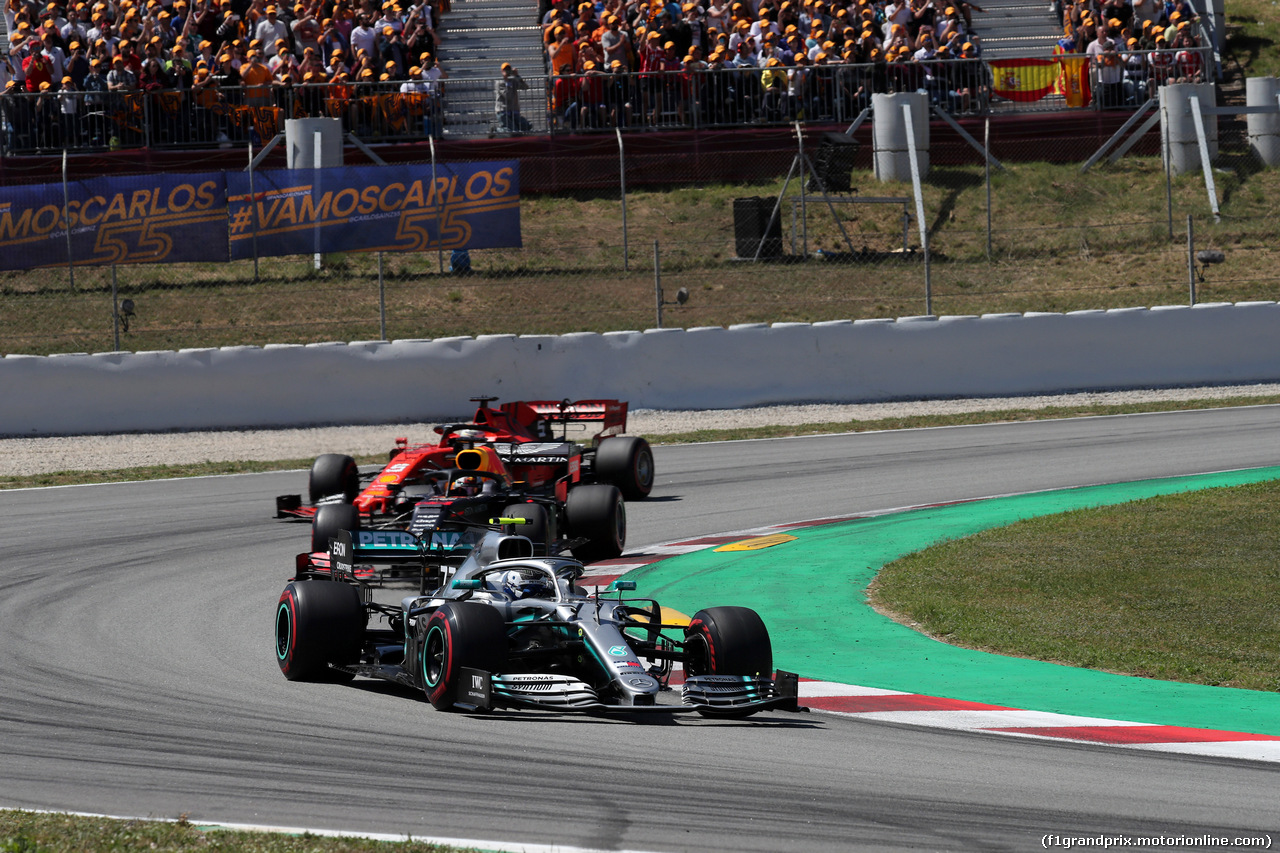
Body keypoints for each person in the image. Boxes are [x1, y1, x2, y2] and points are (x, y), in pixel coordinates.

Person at [494, 61, 530, 133]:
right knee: (513, 131)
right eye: (505, 70)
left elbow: (525, 87)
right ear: (502, 71)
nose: (507, 71)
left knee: (526, 126)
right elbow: (508, 96)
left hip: (513, 111)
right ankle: (495, 130)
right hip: (503, 112)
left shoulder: (513, 80)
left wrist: (517, 76)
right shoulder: (499, 82)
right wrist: (507, 81)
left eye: (508, 69)